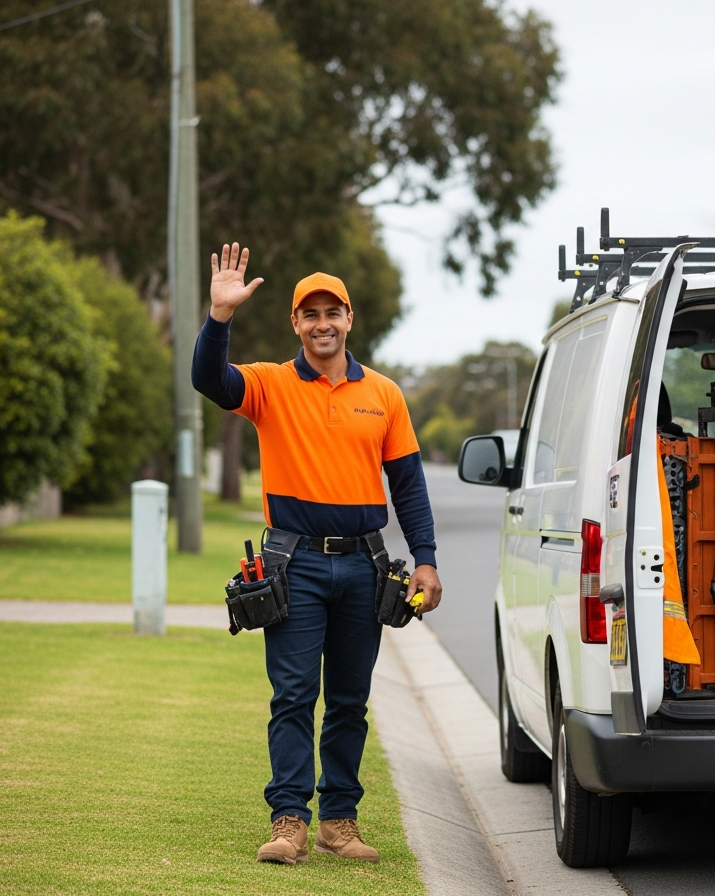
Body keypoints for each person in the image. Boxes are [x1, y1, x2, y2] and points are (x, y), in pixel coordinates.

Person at [192, 242, 441, 865]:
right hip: (294, 563)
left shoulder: (384, 394)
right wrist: (219, 316)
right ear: (296, 323)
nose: (322, 323)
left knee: (350, 700)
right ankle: (288, 822)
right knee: (294, 696)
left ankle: (338, 821)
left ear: (349, 319)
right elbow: (209, 380)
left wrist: (426, 559)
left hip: (365, 565)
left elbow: (409, 485)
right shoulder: (269, 385)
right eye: (311, 314)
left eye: (333, 313)